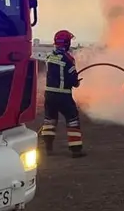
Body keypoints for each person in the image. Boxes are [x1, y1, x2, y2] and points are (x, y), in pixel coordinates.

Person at [39, 29, 86, 158]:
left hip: (49, 95)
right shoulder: (68, 59)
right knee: (72, 120)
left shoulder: (49, 57)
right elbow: (71, 79)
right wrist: (76, 82)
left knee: (49, 120)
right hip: (63, 95)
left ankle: (48, 148)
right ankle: (76, 150)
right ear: (67, 43)